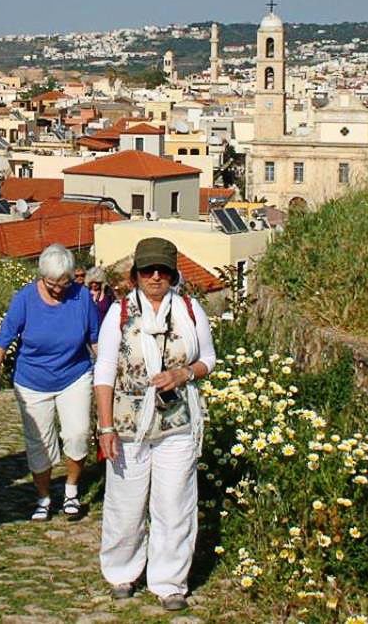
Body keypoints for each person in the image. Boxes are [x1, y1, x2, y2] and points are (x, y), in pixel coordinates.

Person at [92, 237, 216, 611]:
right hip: (129, 424)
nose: (156, 277)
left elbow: (209, 359)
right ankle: (122, 572)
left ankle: (169, 581)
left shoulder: (190, 311)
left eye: (163, 270)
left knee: (175, 502)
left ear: (173, 274)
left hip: (177, 421)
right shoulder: (120, 314)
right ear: (136, 275)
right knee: (125, 503)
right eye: (148, 270)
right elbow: (105, 371)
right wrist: (106, 426)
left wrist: (183, 375)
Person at [0, 244, 100, 522]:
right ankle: (44, 496)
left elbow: (94, 341)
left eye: (65, 283)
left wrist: (108, 377)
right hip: (32, 381)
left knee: (78, 433)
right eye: (52, 284)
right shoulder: (25, 299)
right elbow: (3, 340)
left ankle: (71, 489)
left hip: (74, 375)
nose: (59, 290)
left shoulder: (82, 297)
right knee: (40, 443)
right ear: (42, 278)